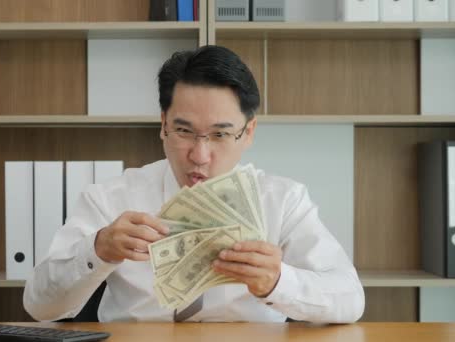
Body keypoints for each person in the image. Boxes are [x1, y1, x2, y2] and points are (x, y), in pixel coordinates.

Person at [23, 45, 365, 323]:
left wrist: (278, 282)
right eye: (184, 131)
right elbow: (38, 306)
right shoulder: (111, 198)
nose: (200, 155)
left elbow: (350, 299)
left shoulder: (284, 200)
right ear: (163, 125)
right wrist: (97, 250)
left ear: (249, 133)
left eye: (220, 134)